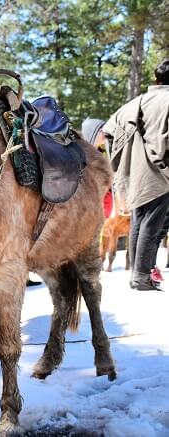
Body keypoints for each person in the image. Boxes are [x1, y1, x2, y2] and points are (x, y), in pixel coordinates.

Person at [104, 59, 169, 291]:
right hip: (159, 175)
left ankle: (139, 273)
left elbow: (108, 131)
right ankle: (141, 277)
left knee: (139, 223)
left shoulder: (137, 101)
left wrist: (121, 163)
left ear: (156, 79)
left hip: (135, 174)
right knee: (152, 226)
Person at [82, 118, 114, 218]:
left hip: (106, 202)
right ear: (93, 132)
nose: (105, 133)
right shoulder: (84, 155)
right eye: (101, 130)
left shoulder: (103, 151)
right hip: (92, 205)